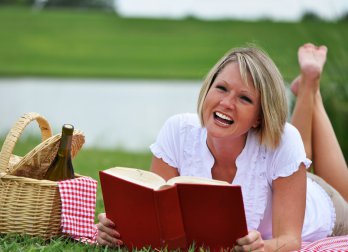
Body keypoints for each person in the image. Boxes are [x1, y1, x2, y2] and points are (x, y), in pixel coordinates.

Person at [96, 43, 348, 251]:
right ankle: (308, 87)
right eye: (221, 88)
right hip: (286, 177)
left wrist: (263, 248)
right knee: (295, 147)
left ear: (259, 117)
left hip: (323, 204)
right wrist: (117, 230)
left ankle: (310, 88)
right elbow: (158, 220)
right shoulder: (178, 130)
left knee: (298, 148)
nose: (226, 103)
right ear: (208, 88)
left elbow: (291, 242)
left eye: (245, 98)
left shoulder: (284, 142)